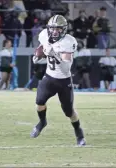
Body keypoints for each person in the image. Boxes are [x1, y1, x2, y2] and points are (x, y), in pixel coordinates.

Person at [31, 15, 86, 146]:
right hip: (49, 77)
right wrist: (38, 57)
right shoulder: (44, 35)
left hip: (64, 80)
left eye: (58, 29)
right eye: (53, 29)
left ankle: (79, 134)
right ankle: (42, 122)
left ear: (64, 30)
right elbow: (42, 49)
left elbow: (67, 66)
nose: (55, 32)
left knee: (69, 112)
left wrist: (54, 53)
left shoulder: (68, 42)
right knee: (39, 102)